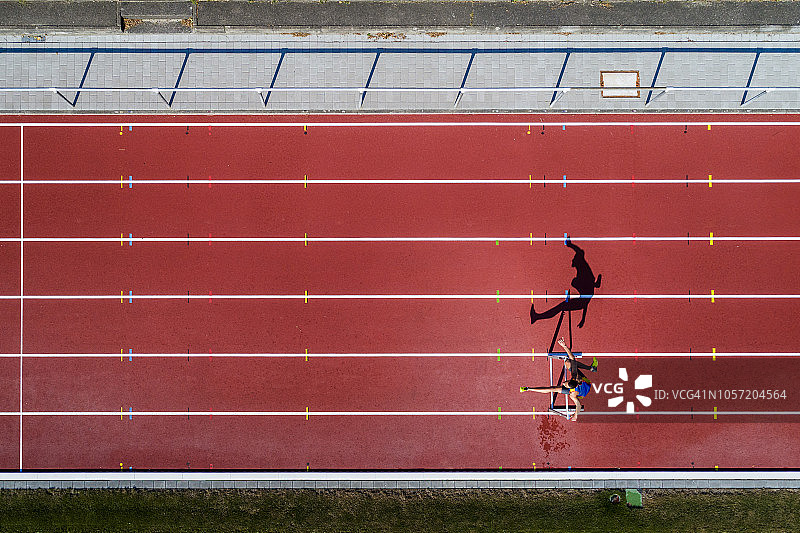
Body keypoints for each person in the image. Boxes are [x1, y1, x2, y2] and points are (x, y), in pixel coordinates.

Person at [520, 338, 597, 421]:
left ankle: (528, 389)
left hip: (582, 392)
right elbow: (573, 359)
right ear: (572, 380)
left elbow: (578, 405)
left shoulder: (572, 394)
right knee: (569, 362)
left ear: (570, 388)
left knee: (553, 389)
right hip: (586, 383)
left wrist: (575, 415)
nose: (563, 383)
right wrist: (564, 346)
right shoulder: (576, 377)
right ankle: (591, 368)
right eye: (565, 382)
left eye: (565, 384)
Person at [530, 238, 602, 328]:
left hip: (581, 301)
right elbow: (586, 300)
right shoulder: (584, 275)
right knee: (560, 307)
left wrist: (570, 245)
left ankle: (537, 317)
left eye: (573, 260)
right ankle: (537, 317)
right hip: (582, 300)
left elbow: (580, 252)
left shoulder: (583, 271)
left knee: (559, 307)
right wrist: (583, 318)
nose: (572, 260)